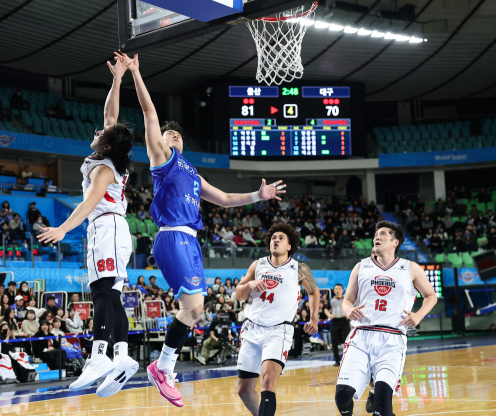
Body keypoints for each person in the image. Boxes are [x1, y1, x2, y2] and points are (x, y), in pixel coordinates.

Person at [120, 51, 285, 407]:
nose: (173, 134)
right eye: (168, 133)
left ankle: (163, 366)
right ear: (161, 142)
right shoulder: (162, 161)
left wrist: (259, 194)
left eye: (177, 133)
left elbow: (225, 198)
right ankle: (162, 367)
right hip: (173, 235)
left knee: (196, 310)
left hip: (191, 242)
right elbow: (150, 114)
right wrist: (135, 72)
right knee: (192, 307)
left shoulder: (192, 172)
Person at [35, 54, 138, 398]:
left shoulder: (104, 168)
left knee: (100, 293)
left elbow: (89, 202)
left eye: (101, 133)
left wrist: (63, 228)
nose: (97, 129)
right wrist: (117, 79)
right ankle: (122, 356)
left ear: (106, 145)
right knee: (112, 294)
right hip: (117, 229)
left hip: (105, 227)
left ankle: (99, 356)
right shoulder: (109, 155)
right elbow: (111, 115)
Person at [334, 221, 438, 416]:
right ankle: (371, 390)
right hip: (361, 336)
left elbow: (431, 296)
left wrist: (418, 315)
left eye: (383, 234)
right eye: (376, 234)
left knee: (382, 404)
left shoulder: (410, 268)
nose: (377, 237)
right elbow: (347, 300)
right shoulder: (361, 266)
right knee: (342, 396)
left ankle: (375, 392)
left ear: (395, 242)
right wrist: (349, 310)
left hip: (392, 338)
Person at [233, 223, 319, 416]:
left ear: (289, 246)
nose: (276, 240)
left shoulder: (299, 269)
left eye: (281, 238)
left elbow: (313, 291)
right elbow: (239, 294)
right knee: (244, 391)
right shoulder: (258, 265)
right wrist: (251, 284)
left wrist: (314, 319)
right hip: (252, 329)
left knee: (268, 382)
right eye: (273, 238)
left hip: (279, 331)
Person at [324, 283, 349, 367]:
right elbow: (326, 309)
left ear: (342, 290)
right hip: (334, 322)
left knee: (346, 341)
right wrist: (329, 315)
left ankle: (347, 359)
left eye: (339, 289)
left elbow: (351, 308)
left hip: (344, 322)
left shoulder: (346, 299)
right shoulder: (331, 300)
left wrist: (348, 314)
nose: (337, 290)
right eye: (336, 289)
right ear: (334, 291)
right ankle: (337, 360)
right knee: (334, 342)